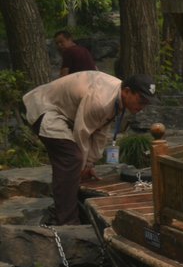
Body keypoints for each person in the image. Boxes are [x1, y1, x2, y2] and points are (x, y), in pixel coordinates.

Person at [23, 71, 155, 225]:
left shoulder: (116, 97)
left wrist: (90, 163)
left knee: (77, 162)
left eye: (146, 103)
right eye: (141, 101)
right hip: (46, 108)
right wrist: (83, 165)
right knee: (71, 159)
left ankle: (72, 207)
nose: (142, 107)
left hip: (65, 113)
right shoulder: (101, 100)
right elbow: (82, 133)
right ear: (127, 91)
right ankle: (67, 221)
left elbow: (100, 131)